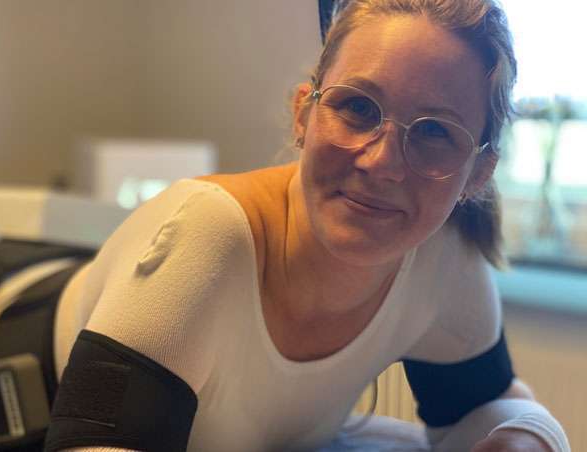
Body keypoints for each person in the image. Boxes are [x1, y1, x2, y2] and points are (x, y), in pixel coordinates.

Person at [44, 0, 570, 451]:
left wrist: (530, 436)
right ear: (304, 114)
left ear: (479, 172)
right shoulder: (206, 233)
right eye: (358, 106)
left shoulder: (444, 257)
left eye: (434, 131)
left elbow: (483, 404)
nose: (382, 163)